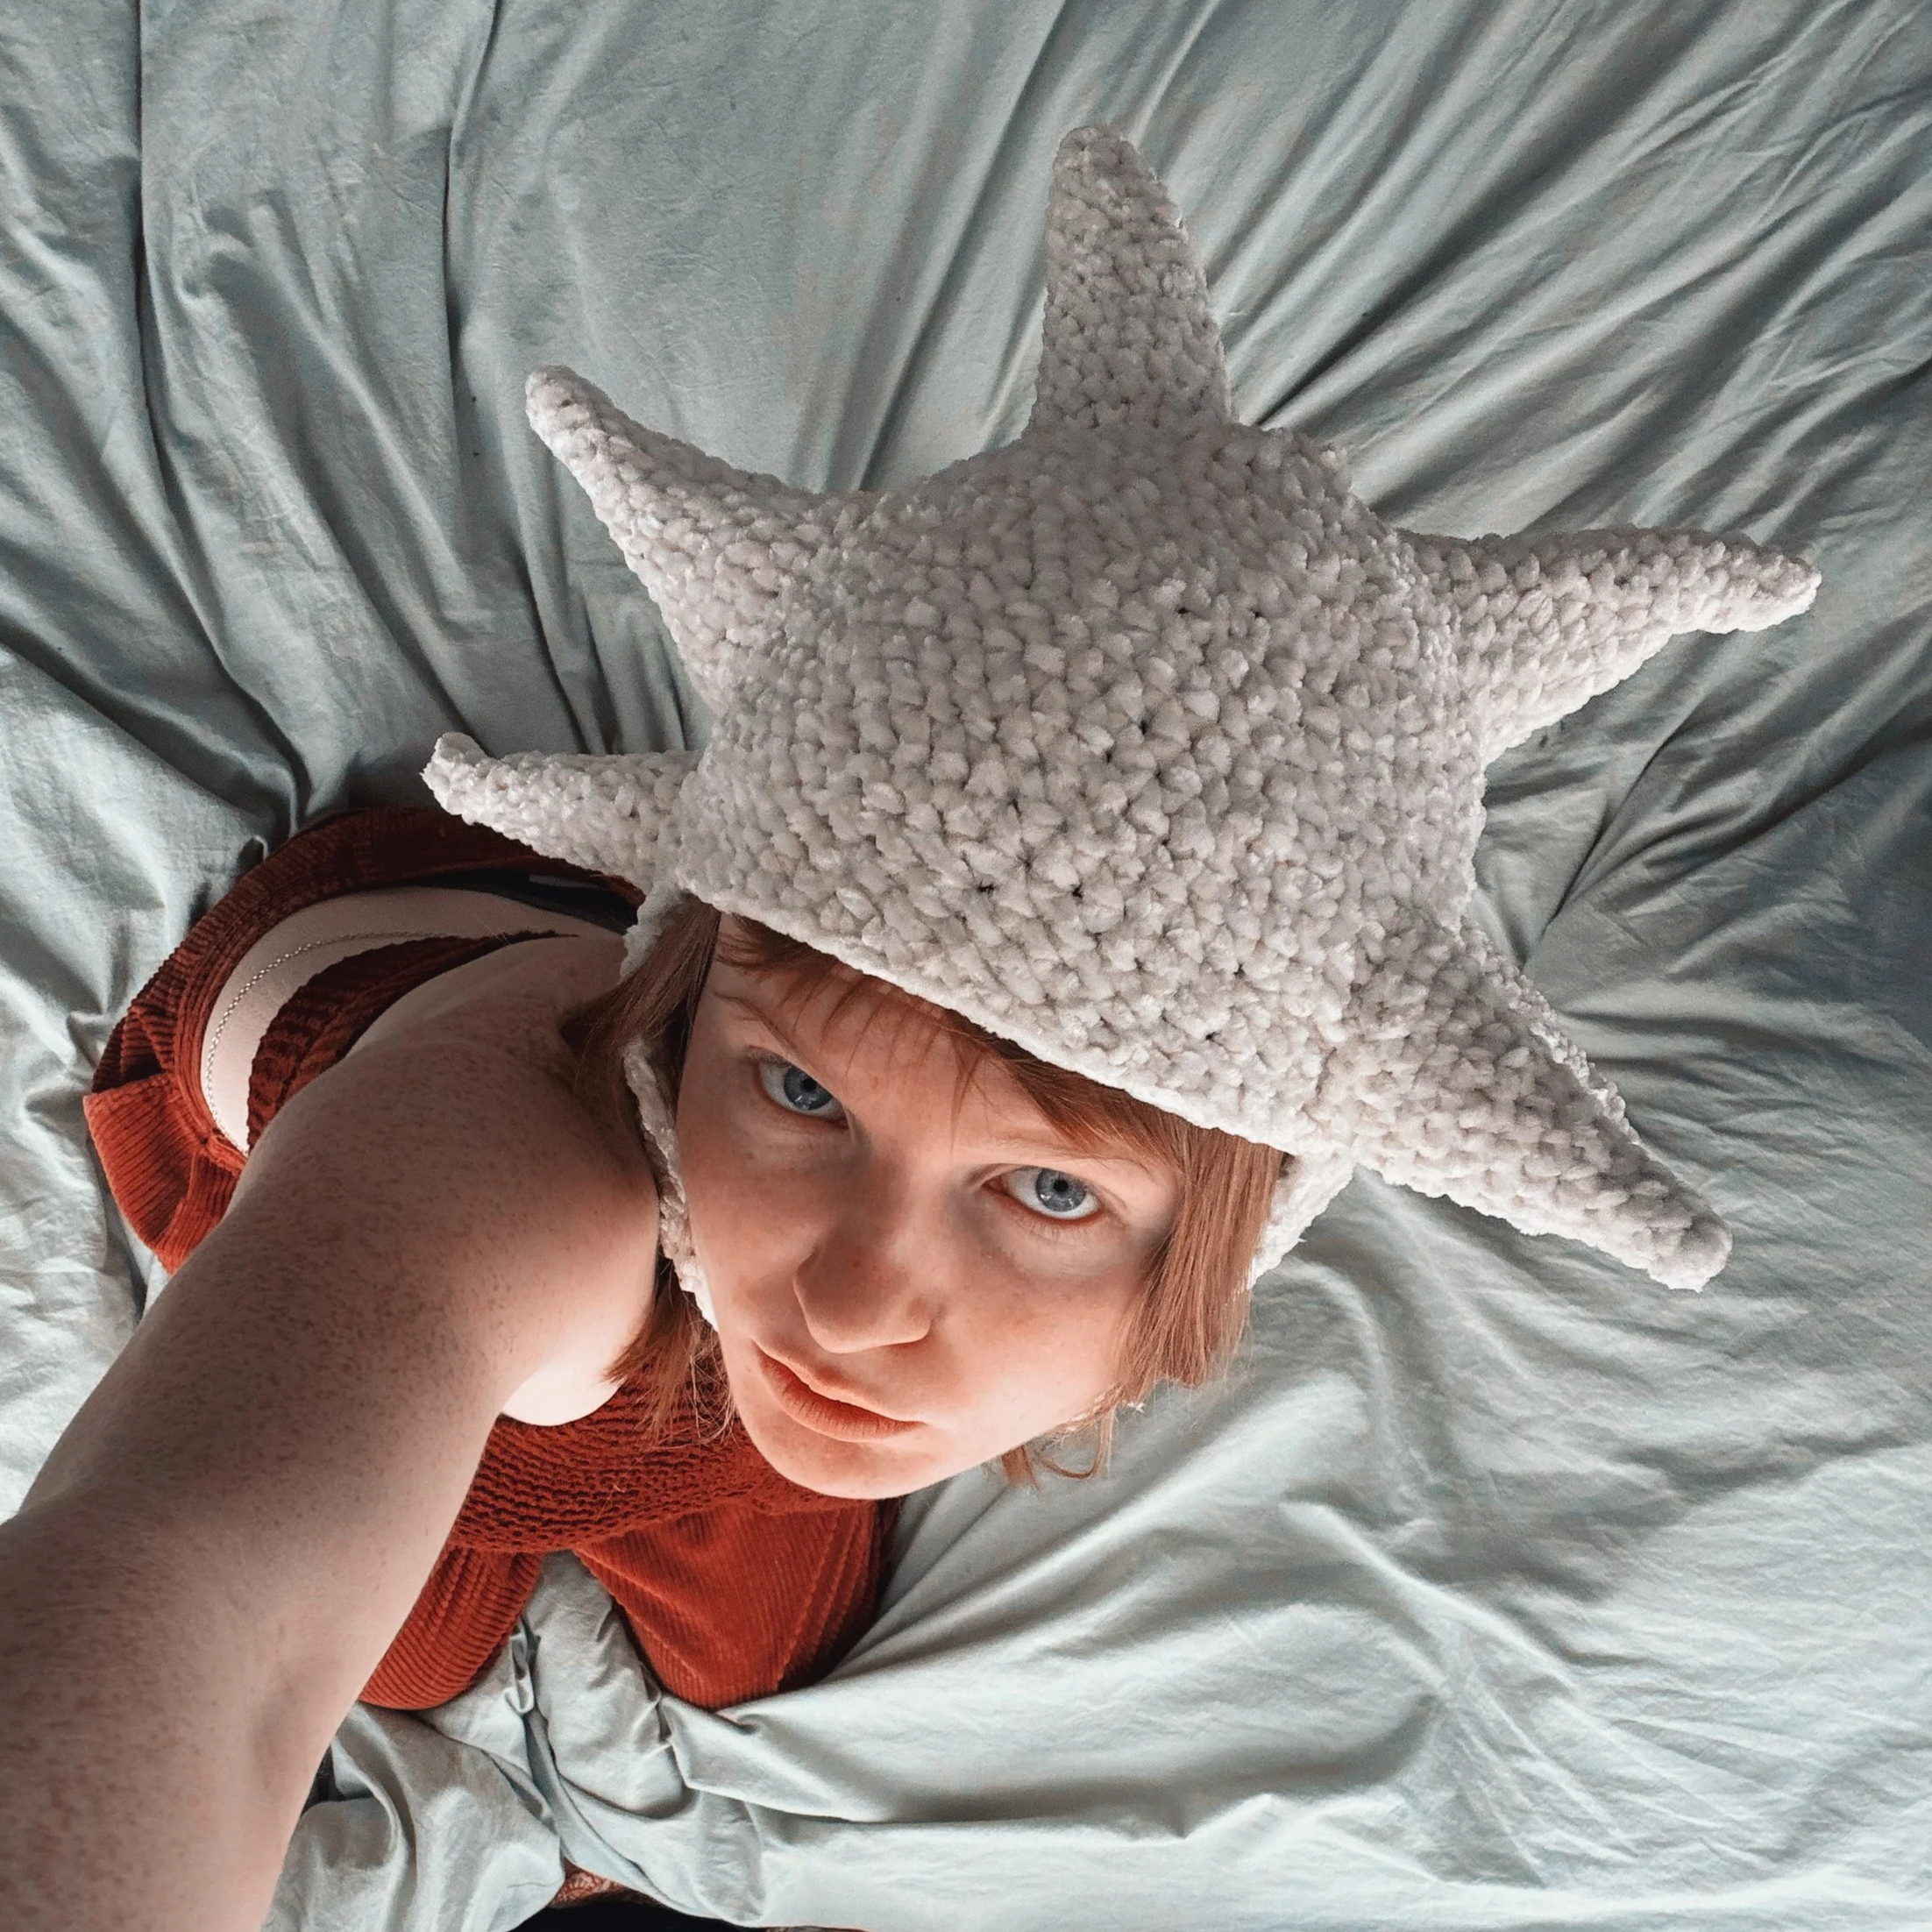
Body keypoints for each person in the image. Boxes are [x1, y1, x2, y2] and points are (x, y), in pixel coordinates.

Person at [0, 126, 1817, 1932]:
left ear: (1237, 1231)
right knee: (403, 1653)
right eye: (800, 1086)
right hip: (350, 1091)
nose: (854, 1297)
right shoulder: (500, 1165)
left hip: (653, 1365)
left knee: (763, 1648)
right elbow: (196, 1596)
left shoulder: (822, 1309)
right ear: (699, 981)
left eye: (1040, 1190)